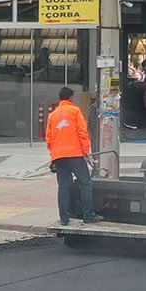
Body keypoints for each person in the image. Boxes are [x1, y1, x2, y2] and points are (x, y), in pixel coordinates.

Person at [45, 86, 96, 226]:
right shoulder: (75, 111)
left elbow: (49, 138)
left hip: (59, 157)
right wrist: (86, 152)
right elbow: (82, 132)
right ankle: (88, 215)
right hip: (75, 154)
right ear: (70, 98)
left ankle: (64, 219)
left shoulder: (53, 115)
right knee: (85, 183)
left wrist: (54, 154)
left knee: (64, 187)